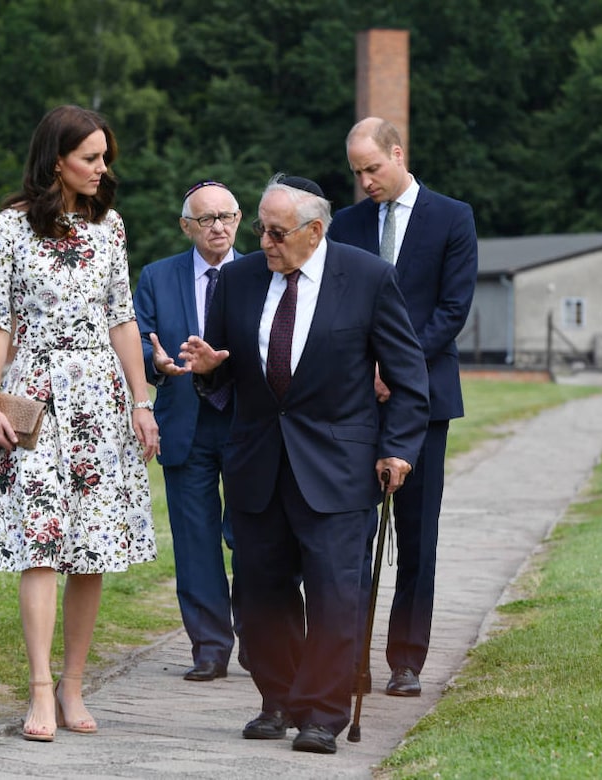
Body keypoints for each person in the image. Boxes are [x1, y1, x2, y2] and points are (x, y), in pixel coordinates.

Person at [178, 174, 429, 754]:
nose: (262, 241)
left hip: (339, 467)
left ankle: (321, 711)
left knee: (336, 595)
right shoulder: (238, 281)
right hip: (258, 464)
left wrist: (398, 449)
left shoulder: (367, 278)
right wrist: (211, 368)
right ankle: (281, 696)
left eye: (275, 231)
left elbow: (410, 379)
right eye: (261, 228)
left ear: (314, 231)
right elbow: (220, 376)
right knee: (261, 595)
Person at [0, 105, 160, 743]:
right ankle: (41, 690)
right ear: (57, 161)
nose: (104, 170)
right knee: (41, 542)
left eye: (106, 157)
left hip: (100, 401)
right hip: (38, 399)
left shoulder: (111, 229)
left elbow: (122, 318)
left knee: (91, 548)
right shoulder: (6, 228)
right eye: (92, 158)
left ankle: (75, 684)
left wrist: (140, 400)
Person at [328, 117, 478, 697]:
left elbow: (452, 308)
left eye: (373, 168)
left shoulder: (451, 217)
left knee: (416, 537)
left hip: (424, 402)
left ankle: (406, 660)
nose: (365, 181)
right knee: (352, 536)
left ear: (398, 154)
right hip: (358, 402)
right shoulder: (346, 224)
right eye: (357, 172)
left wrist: (398, 366)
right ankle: (350, 657)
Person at [133, 181, 243, 681]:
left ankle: (263, 642)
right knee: (195, 539)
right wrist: (153, 363)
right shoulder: (158, 277)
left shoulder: (263, 272)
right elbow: (137, 341)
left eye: (226, 216)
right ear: (186, 227)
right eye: (206, 219)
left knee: (252, 537)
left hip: (249, 423)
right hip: (186, 423)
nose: (218, 227)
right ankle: (210, 647)